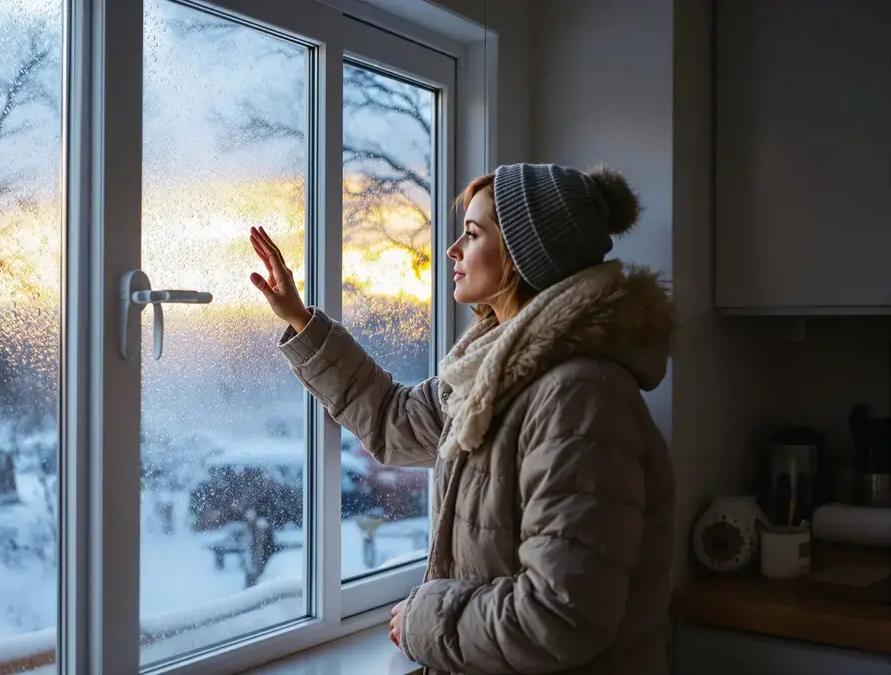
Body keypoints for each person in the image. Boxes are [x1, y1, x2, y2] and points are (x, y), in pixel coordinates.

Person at [248, 163, 675, 675]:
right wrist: (301, 319)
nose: (452, 250)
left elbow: (560, 614)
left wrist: (422, 619)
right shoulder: (492, 372)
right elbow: (393, 421)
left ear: (521, 255)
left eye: (472, 235)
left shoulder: (579, 398)